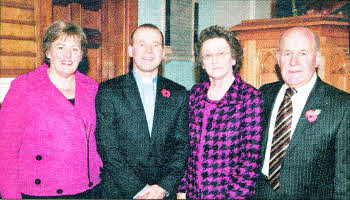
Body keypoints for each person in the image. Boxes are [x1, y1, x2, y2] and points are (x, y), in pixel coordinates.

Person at [0, 20, 103, 199]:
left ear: (82, 56)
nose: (68, 55)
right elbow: (6, 149)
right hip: (41, 192)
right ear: (48, 52)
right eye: (60, 47)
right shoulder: (25, 87)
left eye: (75, 49)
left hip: (89, 189)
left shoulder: (92, 88)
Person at [94, 23, 189, 199]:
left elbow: (182, 145)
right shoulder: (109, 90)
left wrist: (163, 187)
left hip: (163, 193)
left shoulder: (179, 93)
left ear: (162, 52)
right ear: (130, 50)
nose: (148, 51)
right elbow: (108, 147)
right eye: (141, 44)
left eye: (155, 45)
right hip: (120, 192)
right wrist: (139, 190)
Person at [254, 27, 350, 199]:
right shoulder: (263, 94)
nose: (293, 62)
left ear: (317, 59)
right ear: (277, 59)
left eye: (303, 53)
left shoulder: (341, 105)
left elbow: (345, 180)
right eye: (287, 53)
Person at [177, 25, 263, 199]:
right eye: (208, 55)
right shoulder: (194, 94)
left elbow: (250, 161)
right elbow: (185, 149)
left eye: (221, 53)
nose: (214, 60)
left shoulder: (250, 98)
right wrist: (181, 190)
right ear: (202, 62)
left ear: (233, 58)